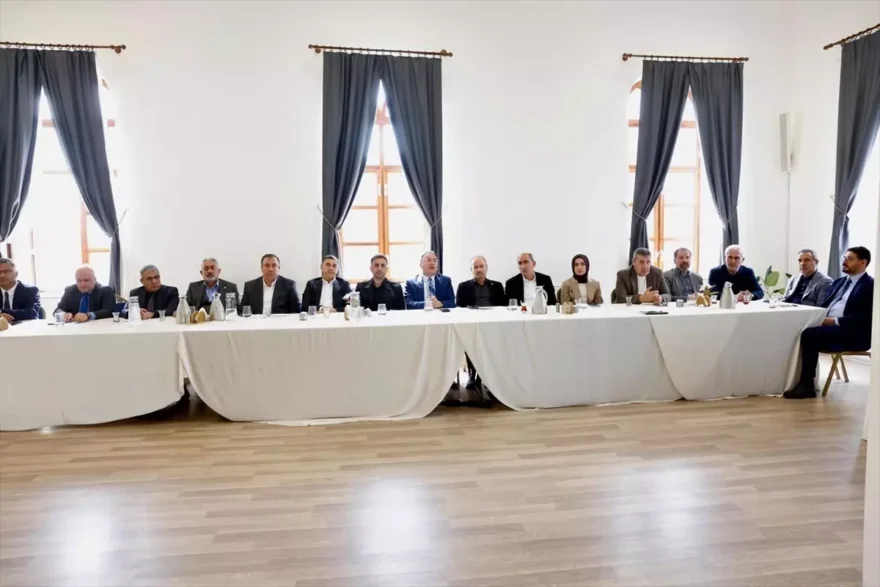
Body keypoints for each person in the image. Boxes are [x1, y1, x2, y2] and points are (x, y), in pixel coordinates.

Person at [784, 246, 874, 399]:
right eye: (844, 258)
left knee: (809, 335)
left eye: (850, 259)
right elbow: (823, 306)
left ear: (863, 262)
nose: (844, 261)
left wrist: (833, 321)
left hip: (854, 333)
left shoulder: (870, 286)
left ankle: (807, 385)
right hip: (829, 326)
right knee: (796, 330)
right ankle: (789, 379)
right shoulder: (839, 282)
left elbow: (865, 318)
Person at [0, 257, 41, 322]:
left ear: (16, 274)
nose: (2, 275)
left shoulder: (31, 291)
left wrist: (1, 312)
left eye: (6, 271)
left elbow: (32, 313)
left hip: (24, 327)